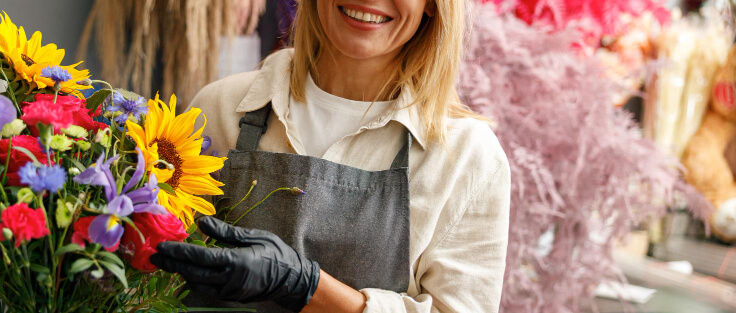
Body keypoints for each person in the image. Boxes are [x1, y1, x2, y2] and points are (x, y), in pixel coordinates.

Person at [150, 0, 511, 312]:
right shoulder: (219, 107)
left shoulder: (466, 157)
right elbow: (157, 281)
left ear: (432, 4)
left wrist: (307, 287)